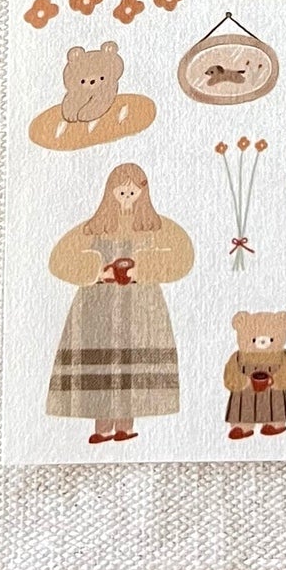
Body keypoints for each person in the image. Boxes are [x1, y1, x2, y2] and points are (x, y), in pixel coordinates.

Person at [46, 163, 193, 445]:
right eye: (122, 192)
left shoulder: (156, 225)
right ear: (110, 193)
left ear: (143, 194)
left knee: (132, 367)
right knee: (101, 367)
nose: (127, 198)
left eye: (133, 193)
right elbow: (59, 259)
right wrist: (98, 271)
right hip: (96, 307)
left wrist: (143, 268)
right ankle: (102, 427)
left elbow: (183, 256)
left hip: (141, 307)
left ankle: (125, 426)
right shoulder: (94, 227)